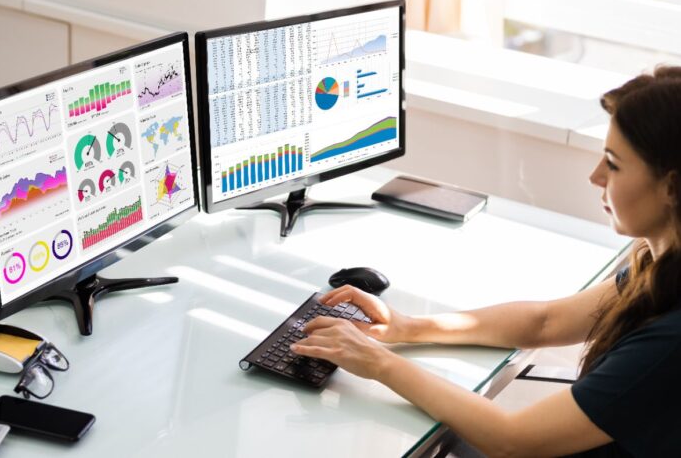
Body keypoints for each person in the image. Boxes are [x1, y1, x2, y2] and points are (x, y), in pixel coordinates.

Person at [292, 66, 681, 457]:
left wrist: (379, 363)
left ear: (671, 186)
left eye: (613, 163)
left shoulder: (671, 338)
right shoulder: (661, 265)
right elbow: (546, 322)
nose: (595, 176)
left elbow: (515, 440)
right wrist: (407, 326)